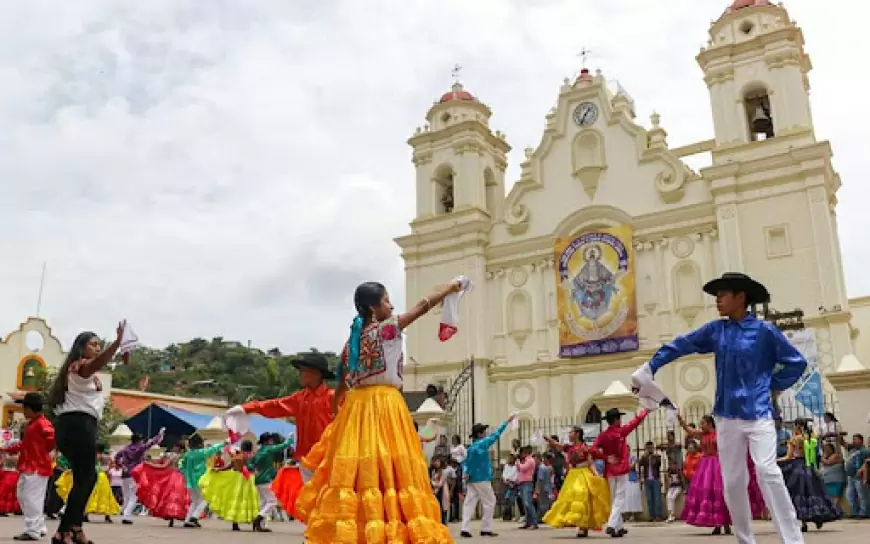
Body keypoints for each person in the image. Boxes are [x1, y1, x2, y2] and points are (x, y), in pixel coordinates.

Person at [635, 272, 807, 544]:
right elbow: (683, 343)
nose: (718, 300)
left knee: (767, 471)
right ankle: (745, 539)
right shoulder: (717, 330)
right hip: (726, 417)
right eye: (717, 295)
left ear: (741, 298)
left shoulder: (765, 332)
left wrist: (771, 384)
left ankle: (793, 539)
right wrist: (651, 366)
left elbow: (797, 362)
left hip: (759, 415)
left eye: (723, 294)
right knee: (733, 481)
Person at [295, 280, 464, 543]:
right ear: (374, 309)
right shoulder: (388, 328)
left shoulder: (352, 341)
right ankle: (391, 529)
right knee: (392, 468)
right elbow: (423, 305)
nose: (391, 305)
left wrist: (337, 413)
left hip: (355, 408)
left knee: (359, 473)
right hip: (386, 405)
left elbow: (340, 386)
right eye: (386, 301)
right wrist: (451, 286)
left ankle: (358, 530)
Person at [48, 325, 124, 544]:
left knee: (84, 478)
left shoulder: (75, 371)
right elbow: (96, 363)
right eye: (93, 344)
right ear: (81, 348)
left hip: (74, 426)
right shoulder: (80, 366)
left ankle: (75, 528)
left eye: (99, 344)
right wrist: (116, 344)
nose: (97, 347)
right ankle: (64, 531)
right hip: (79, 425)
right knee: (88, 477)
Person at [224, 352, 334, 485]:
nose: (300, 374)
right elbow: (275, 405)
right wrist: (246, 408)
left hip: (328, 459)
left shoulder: (332, 398)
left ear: (316, 373)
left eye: (303, 370)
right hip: (306, 460)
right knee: (310, 500)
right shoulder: (299, 398)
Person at [0, 392, 55, 541]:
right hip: (29, 466)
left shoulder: (42, 424)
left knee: (32, 498)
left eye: (24, 408)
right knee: (23, 495)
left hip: (37, 467)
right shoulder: (32, 424)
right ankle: (39, 526)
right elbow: (24, 445)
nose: (23, 412)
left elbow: (52, 440)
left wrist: (42, 454)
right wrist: (5, 448)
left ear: (31, 408)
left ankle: (33, 530)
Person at [591, 407, 652, 537]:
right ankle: (612, 524)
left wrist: (605, 457)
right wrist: (645, 411)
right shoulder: (621, 432)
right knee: (619, 498)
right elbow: (635, 421)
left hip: (610, 470)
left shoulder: (603, 435)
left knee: (614, 499)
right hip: (622, 469)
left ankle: (618, 527)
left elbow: (593, 449)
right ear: (616, 420)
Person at [542, 427, 610, 538]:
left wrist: (597, 475)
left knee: (582, 497)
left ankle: (583, 527)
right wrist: (548, 439)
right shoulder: (569, 447)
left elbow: (590, 463)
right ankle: (577, 522)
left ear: (577, 434)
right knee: (570, 498)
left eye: (571, 433)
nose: (569, 435)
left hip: (583, 474)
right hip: (573, 474)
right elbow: (557, 445)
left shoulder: (585, 447)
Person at [778, 418, 842, 532]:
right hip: (810, 468)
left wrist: (775, 460)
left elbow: (788, 456)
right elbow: (816, 454)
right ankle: (818, 516)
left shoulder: (794, 439)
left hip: (797, 468)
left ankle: (803, 522)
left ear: (797, 425)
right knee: (814, 492)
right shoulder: (812, 438)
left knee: (798, 493)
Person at [460, 417, 513, 538]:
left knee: (469, 502)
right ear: (480, 434)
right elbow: (496, 435)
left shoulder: (471, 448)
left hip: (472, 478)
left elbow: (466, 463)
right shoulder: (482, 444)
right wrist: (506, 422)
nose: (485, 433)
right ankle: (486, 528)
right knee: (490, 501)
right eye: (483, 431)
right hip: (482, 478)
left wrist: (467, 473)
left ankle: (465, 528)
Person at [199, 441, 260, 531]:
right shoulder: (252, 456)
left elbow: (228, 467)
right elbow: (253, 468)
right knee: (250, 500)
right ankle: (255, 521)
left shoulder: (237, 457)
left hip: (236, 481)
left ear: (242, 447)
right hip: (248, 480)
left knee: (235, 500)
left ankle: (235, 524)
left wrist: (218, 470)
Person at [57, 445, 121, 524]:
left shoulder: (91, 456)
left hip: (94, 476)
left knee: (90, 496)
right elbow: (108, 468)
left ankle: (86, 515)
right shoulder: (106, 457)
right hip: (101, 477)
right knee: (105, 496)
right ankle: (107, 516)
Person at [114, 428, 166, 525]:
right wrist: (159, 434)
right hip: (135, 474)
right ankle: (126, 515)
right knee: (134, 496)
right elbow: (150, 444)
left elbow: (117, 457)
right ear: (139, 440)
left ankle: (124, 513)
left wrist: (121, 465)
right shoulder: (139, 448)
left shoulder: (125, 449)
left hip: (125, 475)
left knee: (126, 496)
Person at [131, 442, 189, 527]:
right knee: (180, 498)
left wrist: (149, 464)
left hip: (172, 477)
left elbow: (163, 466)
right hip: (182, 477)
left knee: (169, 497)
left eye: (175, 446)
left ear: (178, 448)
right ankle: (182, 516)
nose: (173, 448)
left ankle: (172, 517)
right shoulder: (184, 456)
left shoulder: (172, 456)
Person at [248, 433, 294, 532]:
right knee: (272, 501)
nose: (272, 441)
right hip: (266, 479)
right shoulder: (269, 449)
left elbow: (250, 464)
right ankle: (258, 519)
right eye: (271, 440)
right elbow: (283, 445)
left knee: (263, 502)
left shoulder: (258, 451)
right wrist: (290, 439)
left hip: (258, 479)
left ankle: (261, 525)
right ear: (267, 441)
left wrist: (254, 469)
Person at [179, 434, 226, 528]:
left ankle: (187, 520)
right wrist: (224, 443)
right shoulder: (201, 453)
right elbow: (212, 449)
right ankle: (194, 517)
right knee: (205, 499)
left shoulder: (187, 454)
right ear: (199, 444)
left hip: (189, 481)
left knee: (195, 501)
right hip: (200, 480)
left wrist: (186, 474)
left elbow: (181, 466)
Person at [844, 434, 869, 518]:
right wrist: (839, 436)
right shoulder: (852, 449)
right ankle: (855, 511)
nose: (854, 441)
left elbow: (867, 462)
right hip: (850, 476)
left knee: (862, 495)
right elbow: (843, 443)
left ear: (861, 440)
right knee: (850, 495)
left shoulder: (865, 450)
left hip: (859, 476)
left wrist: (861, 469)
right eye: (853, 439)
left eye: (856, 439)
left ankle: (864, 512)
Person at [639, 441, 663, 522]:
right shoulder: (644, 457)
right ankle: (651, 515)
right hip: (647, 480)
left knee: (657, 498)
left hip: (655, 479)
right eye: (648, 448)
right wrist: (645, 456)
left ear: (653, 447)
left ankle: (658, 515)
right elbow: (640, 464)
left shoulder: (657, 456)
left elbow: (658, 464)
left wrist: (652, 457)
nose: (650, 449)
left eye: (651, 447)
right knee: (649, 499)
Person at [516, 446, 538, 530]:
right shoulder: (524, 460)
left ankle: (534, 523)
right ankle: (528, 522)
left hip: (527, 483)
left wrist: (518, 462)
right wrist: (518, 463)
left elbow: (523, 468)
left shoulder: (530, 460)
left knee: (528, 503)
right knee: (525, 504)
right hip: (522, 482)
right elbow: (519, 469)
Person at [820, 442, 846, 508]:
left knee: (835, 496)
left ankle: (834, 510)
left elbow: (828, 462)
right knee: (829, 496)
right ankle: (832, 510)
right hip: (828, 480)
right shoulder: (826, 457)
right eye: (825, 449)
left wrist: (823, 457)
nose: (826, 451)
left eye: (827, 449)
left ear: (832, 449)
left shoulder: (836, 455)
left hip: (836, 480)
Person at [623, 454, 643, 523]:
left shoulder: (633, 457)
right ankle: (627, 515)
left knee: (633, 497)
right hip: (625, 479)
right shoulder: (622, 458)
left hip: (633, 479)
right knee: (626, 498)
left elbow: (632, 467)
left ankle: (633, 515)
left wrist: (624, 467)